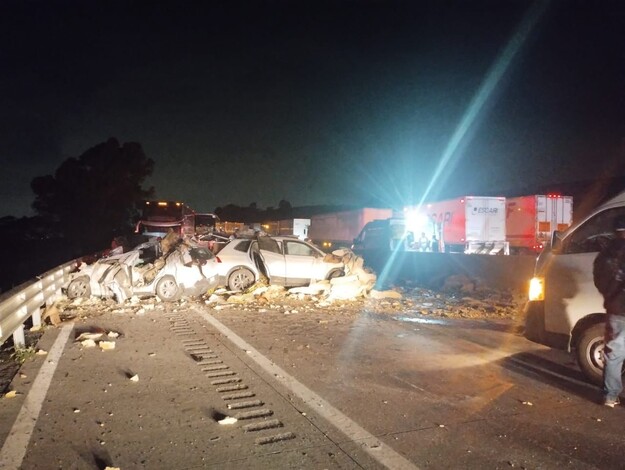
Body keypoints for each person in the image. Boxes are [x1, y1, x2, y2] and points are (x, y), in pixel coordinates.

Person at [593, 214, 625, 407]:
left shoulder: (605, 253)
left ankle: (610, 396)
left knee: (614, 353)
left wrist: (610, 295)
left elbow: (599, 279)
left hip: (616, 307)